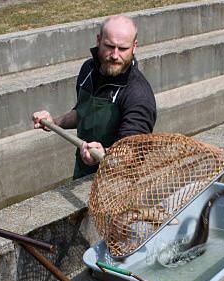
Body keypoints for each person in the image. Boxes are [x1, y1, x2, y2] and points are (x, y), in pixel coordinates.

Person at [32, 14, 157, 179]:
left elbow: (133, 149)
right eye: (109, 46)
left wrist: (103, 152)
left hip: (117, 182)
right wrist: (53, 122)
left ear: (134, 47)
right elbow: (84, 112)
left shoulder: (138, 94)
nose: (114, 55)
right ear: (98, 40)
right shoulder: (88, 70)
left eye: (123, 49)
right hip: (83, 170)